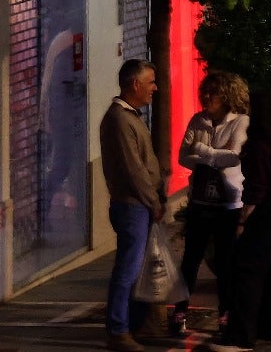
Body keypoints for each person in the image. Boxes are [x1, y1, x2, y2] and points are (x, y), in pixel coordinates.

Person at [207, 89, 271, 352]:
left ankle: (241, 337)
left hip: (266, 208)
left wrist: (243, 218)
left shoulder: (260, 144)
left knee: (248, 270)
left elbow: (257, 186)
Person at [175, 70, 250, 336]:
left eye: (213, 93)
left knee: (225, 261)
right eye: (204, 92)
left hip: (229, 204)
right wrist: (214, 155)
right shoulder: (199, 120)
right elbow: (183, 157)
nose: (206, 97)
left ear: (227, 96)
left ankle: (226, 315)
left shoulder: (241, 122)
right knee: (190, 259)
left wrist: (203, 150)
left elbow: (233, 157)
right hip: (200, 201)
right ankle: (179, 311)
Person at [100, 60, 164, 352]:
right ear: (134, 84)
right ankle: (118, 329)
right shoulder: (120, 120)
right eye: (150, 81)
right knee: (127, 269)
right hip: (132, 205)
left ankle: (133, 324)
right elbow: (133, 169)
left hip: (138, 204)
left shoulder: (130, 117)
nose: (155, 88)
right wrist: (153, 201)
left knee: (135, 269)